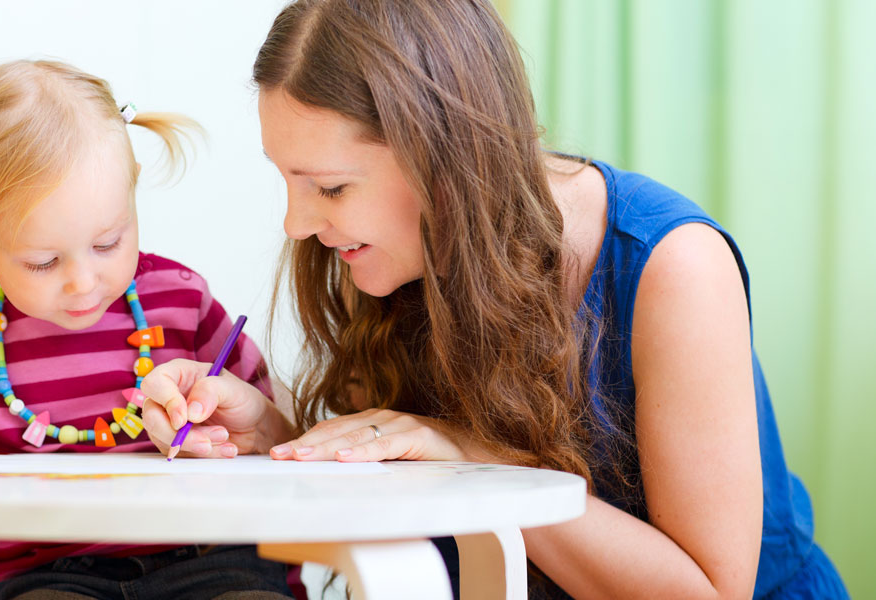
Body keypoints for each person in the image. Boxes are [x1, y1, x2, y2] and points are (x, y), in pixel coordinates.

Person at [139, 1, 849, 597]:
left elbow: (709, 592)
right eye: (286, 180)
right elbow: (407, 466)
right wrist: (274, 434)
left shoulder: (674, 266)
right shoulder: (392, 260)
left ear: (443, 159)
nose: (297, 223)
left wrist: (473, 461)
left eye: (330, 188)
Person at [0, 59, 296, 600]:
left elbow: (278, 446)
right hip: (46, 575)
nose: (83, 282)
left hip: (209, 557)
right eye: (43, 262)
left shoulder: (183, 300)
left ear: (132, 193)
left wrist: (220, 427)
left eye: (108, 242)